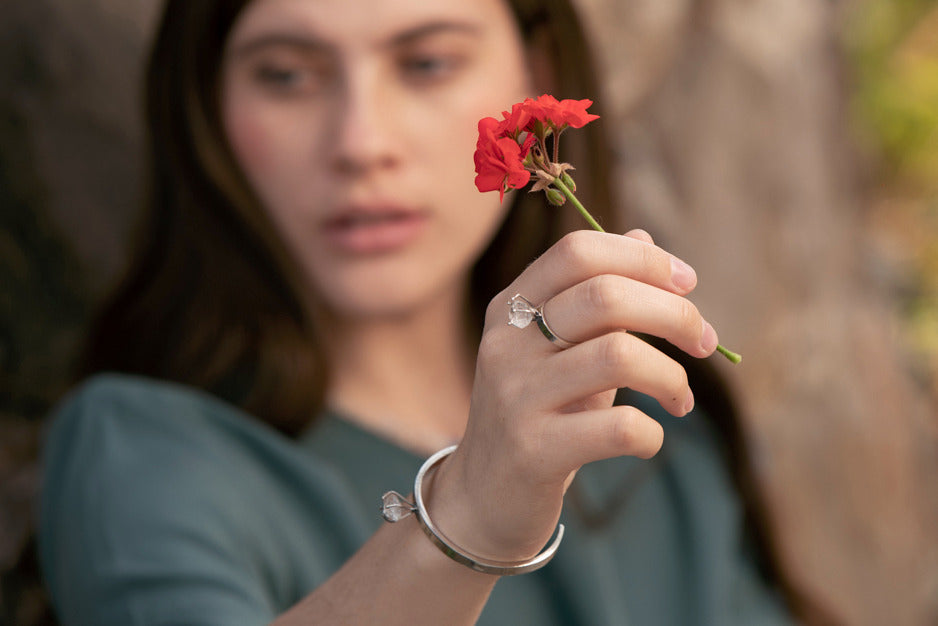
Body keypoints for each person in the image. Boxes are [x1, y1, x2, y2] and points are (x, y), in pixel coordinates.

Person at [37, 0, 805, 623]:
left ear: (535, 74)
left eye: (428, 62)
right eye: (285, 75)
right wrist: (467, 515)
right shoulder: (145, 456)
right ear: (208, 103)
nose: (361, 142)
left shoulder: (648, 420)